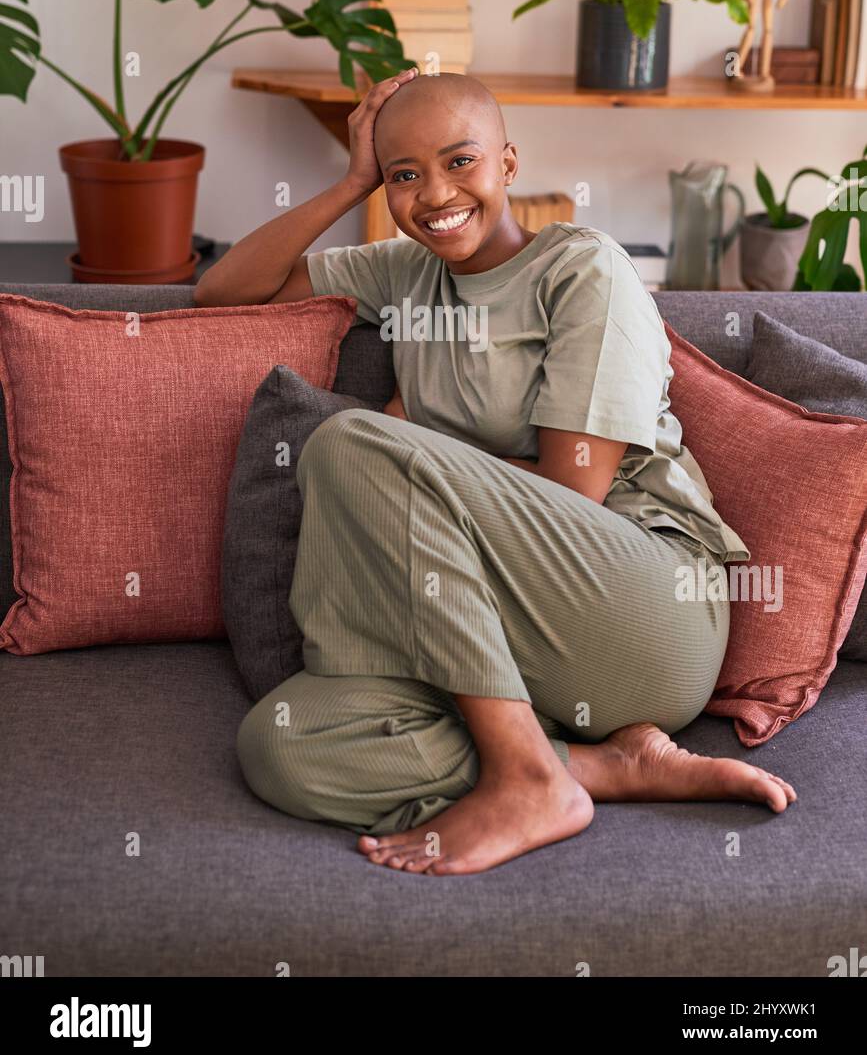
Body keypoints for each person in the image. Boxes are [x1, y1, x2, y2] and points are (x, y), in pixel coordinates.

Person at [195, 68, 796, 877]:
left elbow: (574, 490)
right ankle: (595, 768)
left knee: (346, 443)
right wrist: (351, 181)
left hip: (647, 609)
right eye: (406, 174)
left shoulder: (584, 271)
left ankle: (524, 776)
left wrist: (403, 461)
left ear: (508, 164)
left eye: (459, 161)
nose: (435, 193)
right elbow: (221, 291)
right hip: (509, 639)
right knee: (281, 742)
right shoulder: (404, 276)